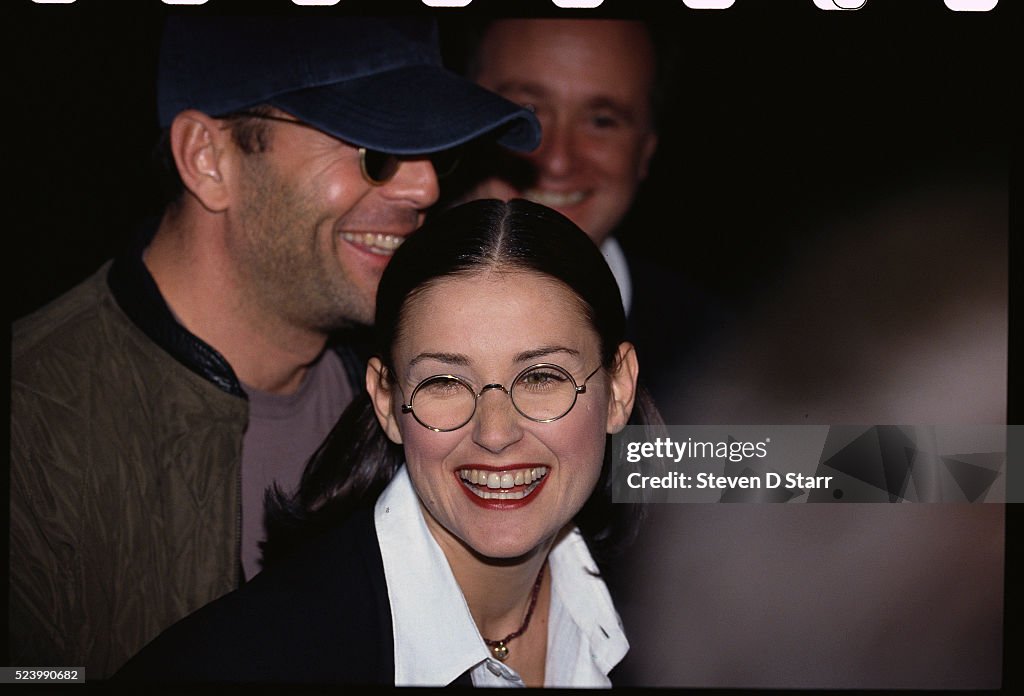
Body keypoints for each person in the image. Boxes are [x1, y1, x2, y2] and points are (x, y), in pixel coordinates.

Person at [9, 16, 540, 678]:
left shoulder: (411, 396)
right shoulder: (33, 430)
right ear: (209, 158)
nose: (424, 188)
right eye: (374, 150)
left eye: (435, 153)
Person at [115, 198, 656, 686]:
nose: (494, 433)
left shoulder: (680, 610)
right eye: (443, 382)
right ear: (385, 400)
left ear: (618, 389)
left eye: (541, 378)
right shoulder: (244, 663)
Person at [450, 18, 726, 415]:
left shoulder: (717, 355)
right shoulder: (361, 319)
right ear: (461, 119)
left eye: (601, 120)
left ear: (646, 150)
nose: (558, 159)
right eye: (526, 112)